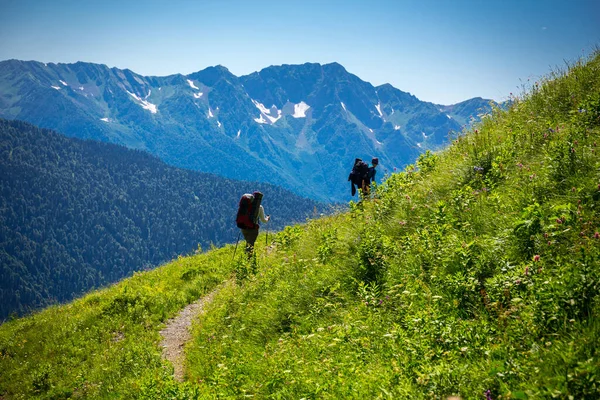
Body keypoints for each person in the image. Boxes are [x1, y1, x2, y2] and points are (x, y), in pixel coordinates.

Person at [237, 192, 270, 259]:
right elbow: (263, 220)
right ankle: (248, 260)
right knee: (251, 244)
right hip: (253, 229)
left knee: (248, 242)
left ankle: (245, 258)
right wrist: (268, 219)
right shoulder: (259, 207)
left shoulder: (244, 207)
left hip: (243, 228)